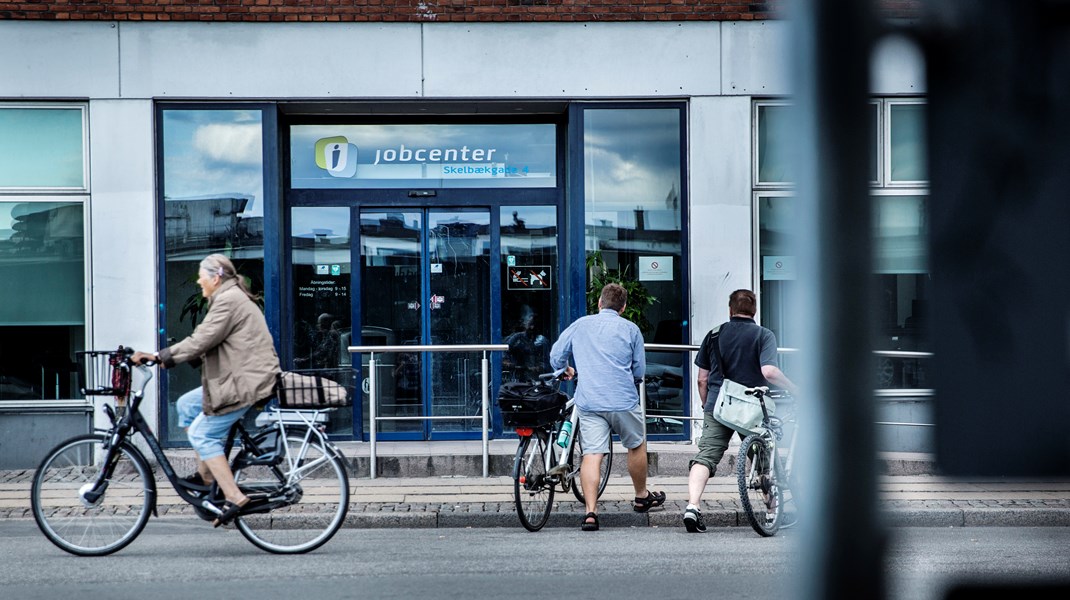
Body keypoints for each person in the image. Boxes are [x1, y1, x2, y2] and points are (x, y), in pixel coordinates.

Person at [132, 254, 281, 528]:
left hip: (246, 382)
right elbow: (208, 340)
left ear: (215, 277)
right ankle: (208, 478)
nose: (198, 280)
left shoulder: (229, 300)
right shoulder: (229, 296)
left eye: (202, 275)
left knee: (202, 433)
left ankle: (234, 496)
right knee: (188, 406)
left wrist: (159, 356)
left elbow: (201, 339)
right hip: (238, 377)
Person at [549, 283, 666, 531]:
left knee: (592, 454)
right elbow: (639, 369)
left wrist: (564, 370)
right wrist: (631, 381)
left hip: (589, 400)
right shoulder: (631, 329)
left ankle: (591, 512)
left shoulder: (581, 324)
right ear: (623, 307)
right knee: (636, 444)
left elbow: (557, 353)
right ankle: (641, 496)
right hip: (623, 399)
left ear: (600, 303)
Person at [684, 289, 798, 533]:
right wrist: (794, 388)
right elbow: (769, 372)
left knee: (705, 456)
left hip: (719, 406)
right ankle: (771, 513)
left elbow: (702, 379)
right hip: (752, 410)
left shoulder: (714, 334)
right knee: (763, 460)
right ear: (754, 310)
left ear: (730, 309)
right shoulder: (763, 335)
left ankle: (692, 507)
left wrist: (707, 405)